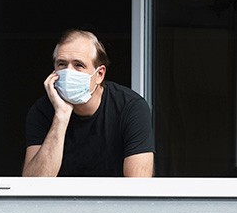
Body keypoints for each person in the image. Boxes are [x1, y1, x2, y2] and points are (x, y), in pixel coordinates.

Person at [22, 29, 155, 177]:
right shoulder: (42, 110)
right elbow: (34, 185)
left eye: (78, 65)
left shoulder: (130, 107)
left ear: (99, 74)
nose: (69, 72)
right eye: (62, 64)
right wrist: (61, 116)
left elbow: (138, 187)